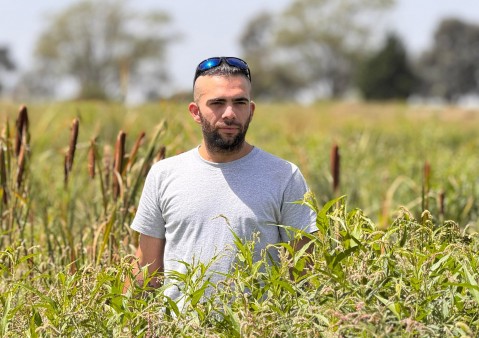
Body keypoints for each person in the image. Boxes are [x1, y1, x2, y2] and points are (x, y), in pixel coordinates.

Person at [127, 56, 317, 304]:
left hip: (256, 329)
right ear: (195, 112)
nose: (230, 113)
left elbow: (303, 274)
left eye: (239, 102)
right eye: (217, 103)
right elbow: (147, 271)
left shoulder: (284, 175)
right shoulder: (164, 174)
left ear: (251, 109)